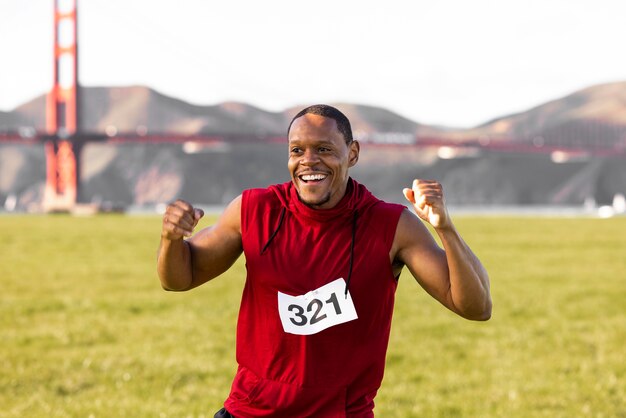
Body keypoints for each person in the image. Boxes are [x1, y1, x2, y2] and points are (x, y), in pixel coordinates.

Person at [157, 104, 491, 417]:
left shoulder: (392, 226)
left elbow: (476, 307)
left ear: (353, 153)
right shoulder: (253, 209)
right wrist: (171, 239)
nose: (308, 161)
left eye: (325, 149)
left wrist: (444, 227)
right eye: (297, 150)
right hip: (250, 411)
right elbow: (179, 278)